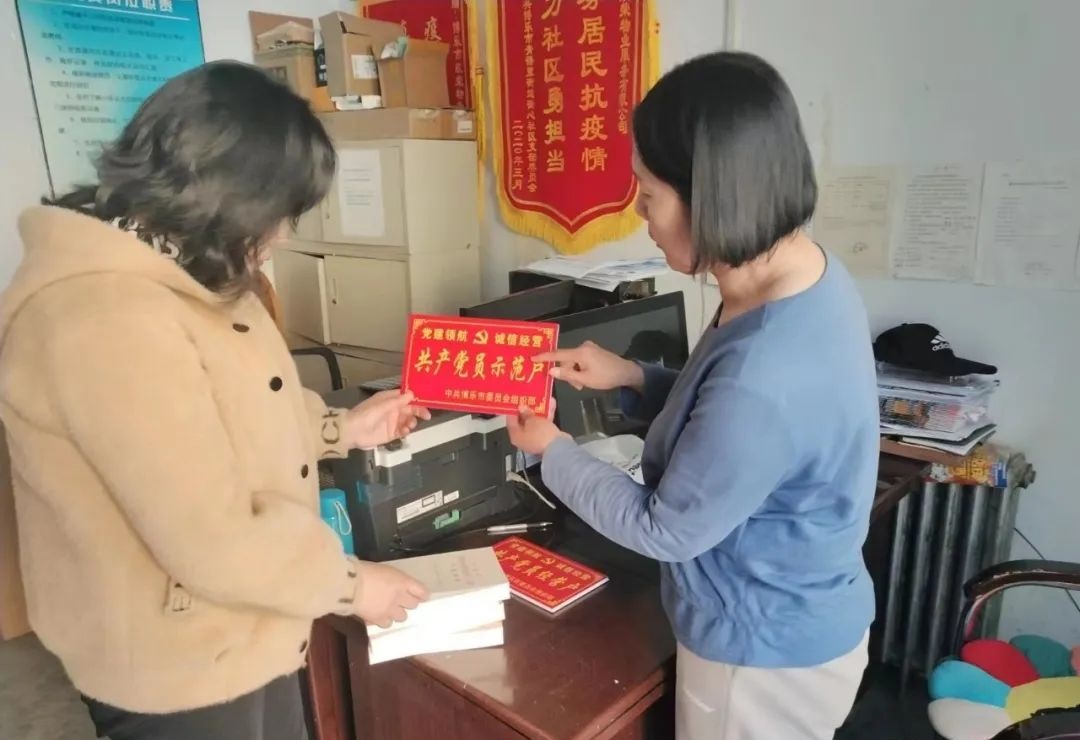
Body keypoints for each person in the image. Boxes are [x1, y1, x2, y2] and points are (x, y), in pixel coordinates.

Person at [0, 62, 431, 740]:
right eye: (278, 213)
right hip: (173, 656)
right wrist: (352, 586)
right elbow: (210, 534)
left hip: (249, 617)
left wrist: (336, 428)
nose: (281, 236)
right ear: (224, 196)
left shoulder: (189, 265)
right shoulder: (102, 317)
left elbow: (234, 408)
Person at [508, 51, 879, 740]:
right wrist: (633, 376)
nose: (640, 214)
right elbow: (729, 416)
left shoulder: (767, 369)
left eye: (649, 195)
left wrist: (550, 451)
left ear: (708, 197)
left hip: (760, 661)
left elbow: (666, 529)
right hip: (809, 613)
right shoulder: (801, 276)